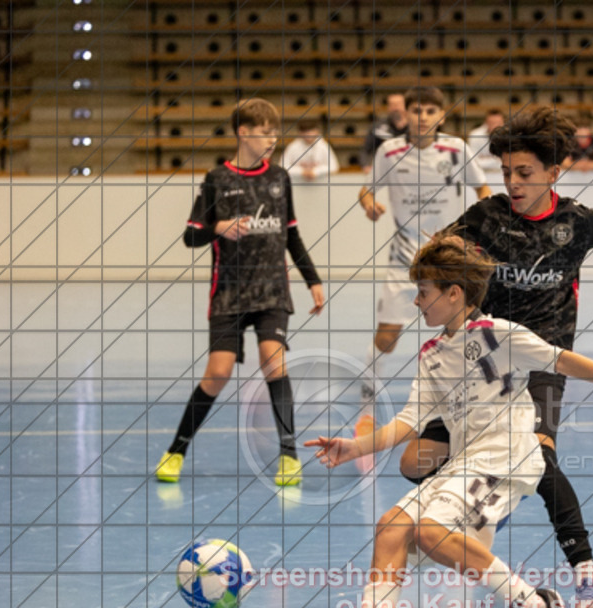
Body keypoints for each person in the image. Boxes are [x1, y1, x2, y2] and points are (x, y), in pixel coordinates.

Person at [306, 236, 593, 608]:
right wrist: (354, 448)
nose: (417, 302)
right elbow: (410, 418)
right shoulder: (431, 355)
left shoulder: (499, 334)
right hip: (466, 462)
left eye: (423, 293)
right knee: (391, 528)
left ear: (453, 293)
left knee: (430, 530)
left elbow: (561, 360)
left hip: (509, 457)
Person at [399, 106, 593, 608]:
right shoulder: (486, 217)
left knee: (542, 460)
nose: (512, 183)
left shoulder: (576, 222)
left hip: (541, 363)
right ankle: (490, 490)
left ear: (553, 174)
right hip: (482, 362)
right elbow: (435, 254)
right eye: (507, 173)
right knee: (414, 462)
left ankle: (587, 580)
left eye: (525, 174)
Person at [154, 98, 325, 487]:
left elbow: (291, 234)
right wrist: (219, 226)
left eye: (275, 132)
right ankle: (175, 451)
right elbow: (190, 236)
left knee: (273, 362)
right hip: (229, 294)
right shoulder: (217, 180)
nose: (272, 139)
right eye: (265, 132)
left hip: (272, 291)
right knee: (217, 373)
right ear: (243, 133)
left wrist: (312, 279)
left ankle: (288, 456)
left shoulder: (280, 178)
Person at [356, 85, 491, 445]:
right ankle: (366, 410)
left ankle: (477, 407)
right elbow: (366, 190)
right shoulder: (390, 151)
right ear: (407, 115)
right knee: (387, 335)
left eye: (431, 111)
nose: (423, 117)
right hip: (404, 258)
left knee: (469, 332)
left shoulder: (456, 149)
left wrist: (477, 229)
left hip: (448, 258)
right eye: (417, 110)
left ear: (441, 116)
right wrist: (369, 205)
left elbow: (483, 190)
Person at [360, 93, 409, 174]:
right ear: (388, 107)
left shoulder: (416, 126)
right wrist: (365, 166)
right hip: (386, 170)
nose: (395, 108)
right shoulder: (378, 128)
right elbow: (365, 150)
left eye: (398, 104)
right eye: (392, 105)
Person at [467, 108, 507, 174]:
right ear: (486, 123)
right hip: (482, 174)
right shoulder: (475, 135)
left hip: (503, 174)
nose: (495, 126)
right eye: (492, 123)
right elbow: (473, 163)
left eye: (499, 123)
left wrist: (486, 160)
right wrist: (496, 160)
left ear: (503, 123)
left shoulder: (511, 135)